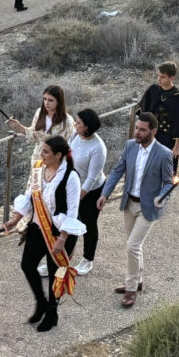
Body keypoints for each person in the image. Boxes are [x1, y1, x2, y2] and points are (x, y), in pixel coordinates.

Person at [2, 136, 86, 332]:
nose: (42, 155)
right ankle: (41, 302)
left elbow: (73, 211)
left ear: (58, 155)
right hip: (38, 226)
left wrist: (63, 239)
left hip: (60, 231)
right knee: (27, 265)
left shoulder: (70, 177)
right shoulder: (39, 169)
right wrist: (15, 220)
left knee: (55, 272)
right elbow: (30, 195)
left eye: (46, 151)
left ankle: (52, 312)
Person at [96, 112, 174, 308]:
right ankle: (138, 281)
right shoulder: (130, 146)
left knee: (132, 246)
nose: (137, 132)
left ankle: (131, 289)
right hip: (129, 204)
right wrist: (105, 194)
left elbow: (168, 183)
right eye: (136, 128)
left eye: (142, 129)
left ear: (153, 131)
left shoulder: (164, 154)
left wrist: (162, 199)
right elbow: (117, 171)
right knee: (134, 247)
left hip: (149, 207)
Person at [135, 61, 179, 172]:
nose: (159, 79)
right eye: (158, 76)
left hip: (167, 138)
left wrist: (176, 147)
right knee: (146, 167)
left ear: (172, 78)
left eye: (163, 77)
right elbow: (143, 112)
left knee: (166, 170)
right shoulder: (153, 90)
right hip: (150, 135)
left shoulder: (178, 98)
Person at [69, 109, 106, 276]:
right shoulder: (75, 135)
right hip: (74, 184)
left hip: (91, 190)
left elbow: (92, 178)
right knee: (67, 221)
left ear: (87, 127)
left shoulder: (98, 147)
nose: (74, 125)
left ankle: (87, 259)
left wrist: (78, 197)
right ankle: (63, 257)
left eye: (78, 123)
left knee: (88, 223)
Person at [8, 84, 76, 164]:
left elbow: (70, 145)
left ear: (58, 101)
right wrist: (19, 128)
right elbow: (34, 137)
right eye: (45, 99)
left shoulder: (68, 121)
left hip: (56, 162)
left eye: (50, 100)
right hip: (37, 159)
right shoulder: (39, 113)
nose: (46, 103)